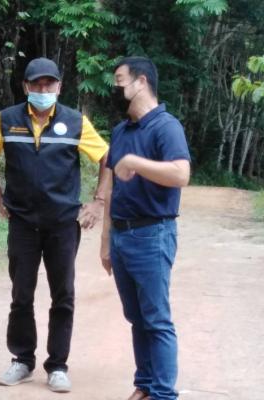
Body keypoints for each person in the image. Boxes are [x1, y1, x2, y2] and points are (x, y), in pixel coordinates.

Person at [0, 57, 108, 393]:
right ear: (26, 87)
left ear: (59, 87)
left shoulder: (75, 121)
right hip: (22, 223)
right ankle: (22, 360)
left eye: (49, 83)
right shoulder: (7, 120)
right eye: (36, 84)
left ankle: (58, 366)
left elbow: (107, 157)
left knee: (62, 294)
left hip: (62, 223)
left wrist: (98, 202)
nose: (42, 89)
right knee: (21, 293)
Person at [100, 56, 191, 400]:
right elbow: (112, 188)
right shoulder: (121, 131)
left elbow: (181, 174)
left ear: (141, 82)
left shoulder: (166, 127)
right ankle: (146, 385)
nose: (115, 88)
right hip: (122, 235)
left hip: (153, 234)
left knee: (157, 319)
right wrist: (105, 241)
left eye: (120, 80)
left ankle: (164, 394)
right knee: (136, 317)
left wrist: (136, 163)